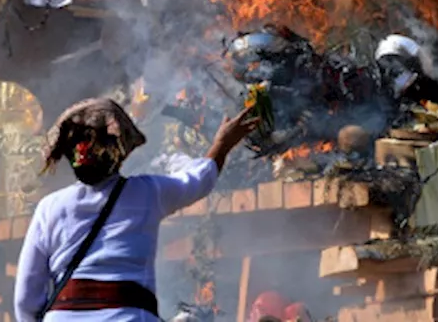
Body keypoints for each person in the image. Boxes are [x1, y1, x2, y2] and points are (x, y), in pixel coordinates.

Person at [14, 97, 259, 321]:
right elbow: (200, 179)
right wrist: (223, 143)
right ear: (120, 152)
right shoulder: (146, 193)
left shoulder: (49, 207)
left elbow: (25, 300)